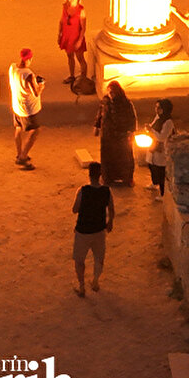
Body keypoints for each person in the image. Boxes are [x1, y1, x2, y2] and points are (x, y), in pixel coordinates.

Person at [71, 161, 114, 297]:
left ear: (89, 175)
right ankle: (95, 281)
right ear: (100, 175)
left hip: (83, 230)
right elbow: (112, 209)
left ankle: (82, 286)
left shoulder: (82, 191)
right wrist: (110, 222)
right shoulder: (106, 191)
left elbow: (74, 210)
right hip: (99, 230)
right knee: (98, 258)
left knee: (79, 260)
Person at [95, 79, 137, 186]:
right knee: (108, 158)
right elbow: (100, 114)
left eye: (113, 92)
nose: (111, 94)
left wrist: (131, 132)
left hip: (121, 135)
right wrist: (97, 126)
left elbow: (132, 118)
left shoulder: (125, 103)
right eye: (109, 92)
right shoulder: (105, 101)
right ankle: (108, 179)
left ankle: (127, 179)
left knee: (124, 157)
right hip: (107, 136)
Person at [8, 48, 44, 169]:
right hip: (28, 109)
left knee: (18, 129)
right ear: (29, 59)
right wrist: (41, 85)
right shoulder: (28, 74)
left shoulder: (12, 68)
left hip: (16, 106)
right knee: (35, 131)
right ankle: (23, 157)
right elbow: (36, 93)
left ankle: (19, 153)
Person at [145, 100, 174, 197]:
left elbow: (162, 137)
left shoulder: (168, 122)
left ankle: (163, 195)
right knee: (152, 166)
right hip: (153, 147)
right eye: (156, 107)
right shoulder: (158, 118)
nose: (156, 110)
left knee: (160, 171)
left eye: (159, 108)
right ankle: (154, 183)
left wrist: (151, 130)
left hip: (161, 149)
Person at [57, 0, 87, 82]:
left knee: (80, 58)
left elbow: (83, 28)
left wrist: (79, 40)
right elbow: (61, 21)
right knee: (69, 56)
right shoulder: (65, 7)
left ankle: (83, 78)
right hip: (67, 35)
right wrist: (59, 34)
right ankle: (72, 76)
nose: (70, 0)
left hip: (76, 37)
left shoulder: (81, 11)